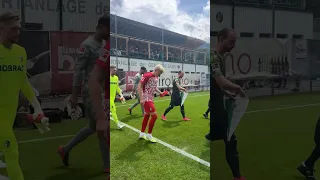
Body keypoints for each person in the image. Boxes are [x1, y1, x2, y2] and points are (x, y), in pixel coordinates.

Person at [58, 15, 110, 173]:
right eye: (109, 29)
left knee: (93, 127)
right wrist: (74, 95)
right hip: (90, 91)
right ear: (101, 27)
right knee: (102, 127)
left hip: (101, 90)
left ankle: (65, 150)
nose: (110, 33)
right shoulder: (86, 45)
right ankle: (108, 166)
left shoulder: (103, 44)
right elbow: (78, 71)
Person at [0, 12, 48, 180]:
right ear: (1, 27)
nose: (17, 32)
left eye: (19, 29)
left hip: (8, 117)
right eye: (13, 29)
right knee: (12, 153)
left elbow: (23, 82)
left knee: (11, 155)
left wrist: (37, 108)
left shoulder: (21, 52)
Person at [209, 28, 247, 180]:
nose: (234, 45)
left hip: (217, 107)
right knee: (231, 139)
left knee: (227, 137)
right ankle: (237, 177)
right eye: (231, 42)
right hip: (216, 109)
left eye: (235, 42)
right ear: (221, 39)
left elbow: (217, 84)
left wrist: (227, 93)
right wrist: (237, 88)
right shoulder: (213, 56)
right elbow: (220, 81)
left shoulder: (219, 57)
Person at [138, 64, 165, 143]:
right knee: (155, 116)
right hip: (146, 98)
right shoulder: (147, 75)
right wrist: (141, 98)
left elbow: (154, 87)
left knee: (147, 116)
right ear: (156, 70)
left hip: (151, 98)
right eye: (160, 72)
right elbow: (139, 86)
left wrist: (160, 92)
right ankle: (149, 135)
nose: (160, 74)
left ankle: (142, 134)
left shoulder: (156, 77)